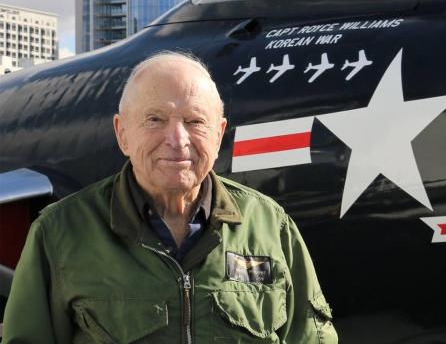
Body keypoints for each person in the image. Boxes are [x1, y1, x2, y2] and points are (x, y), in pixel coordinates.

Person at [3, 51, 338, 343]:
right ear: (122, 133)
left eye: (195, 121)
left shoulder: (271, 226)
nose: (177, 140)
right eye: (154, 119)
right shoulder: (60, 232)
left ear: (218, 134)